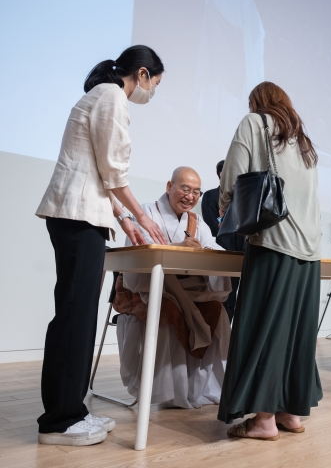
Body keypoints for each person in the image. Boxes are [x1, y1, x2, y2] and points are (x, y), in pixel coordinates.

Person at [34, 46, 167, 446]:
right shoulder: (111, 96)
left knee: (78, 315)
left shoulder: (102, 95)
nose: (152, 92)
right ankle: (60, 421)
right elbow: (112, 169)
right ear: (141, 74)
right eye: (155, 84)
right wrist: (142, 217)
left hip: (82, 215)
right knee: (75, 316)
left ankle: (72, 410)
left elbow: (98, 171)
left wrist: (124, 219)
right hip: (78, 217)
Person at [217, 82, 322, 440]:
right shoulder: (303, 141)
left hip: (273, 243)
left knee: (264, 330)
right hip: (309, 252)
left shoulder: (254, 123)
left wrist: (225, 209)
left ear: (258, 103)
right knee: (294, 334)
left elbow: (232, 178)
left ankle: (263, 421)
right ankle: (289, 414)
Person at [114, 167, 231, 408]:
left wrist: (207, 251)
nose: (190, 197)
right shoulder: (146, 213)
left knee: (217, 311)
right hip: (146, 289)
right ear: (169, 186)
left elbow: (212, 246)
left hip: (187, 290)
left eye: (196, 192)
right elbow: (140, 250)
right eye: (185, 189)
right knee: (167, 310)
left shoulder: (195, 221)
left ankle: (203, 387)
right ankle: (167, 391)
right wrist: (179, 246)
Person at [201, 160, 241, 322]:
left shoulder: (242, 199)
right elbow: (214, 226)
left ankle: (230, 334)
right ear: (222, 174)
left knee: (237, 299)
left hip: (243, 254)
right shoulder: (210, 196)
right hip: (222, 255)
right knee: (223, 298)